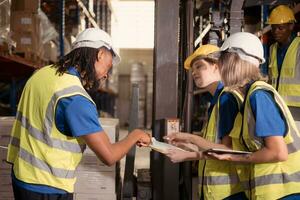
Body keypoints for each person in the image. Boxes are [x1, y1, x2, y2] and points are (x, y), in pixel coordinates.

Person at [6, 28, 151, 200]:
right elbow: (109, 156)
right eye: (108, 66)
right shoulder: (75, 98)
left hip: (21, 176)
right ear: (100, 54)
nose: (106, 75)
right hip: (48, 187)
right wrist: (134, 135)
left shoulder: (41, 74)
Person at [209, 32, 300, 199]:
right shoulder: (249, 97)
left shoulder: (259, 96)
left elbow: (278, 152)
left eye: (222, 60)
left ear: (235, 61)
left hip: (283, 194)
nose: (220, 67)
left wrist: (232, 157)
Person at [164, 44, 246, 199]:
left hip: (229, 193)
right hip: (214, 192)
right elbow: (212, 146)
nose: (194, 73)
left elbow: (227, 150)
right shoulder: (216, 101)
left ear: (216, 66)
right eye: (192, 69)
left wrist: (190, 139)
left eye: (199, 66)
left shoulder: (227, 99)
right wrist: (184, 147)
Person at [267, 5, 300, 121]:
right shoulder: (272, 49)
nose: (276, 32)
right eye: (273, 28)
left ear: (291, 26)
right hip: (277, 105)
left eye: (280, 28)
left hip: (297, 109)